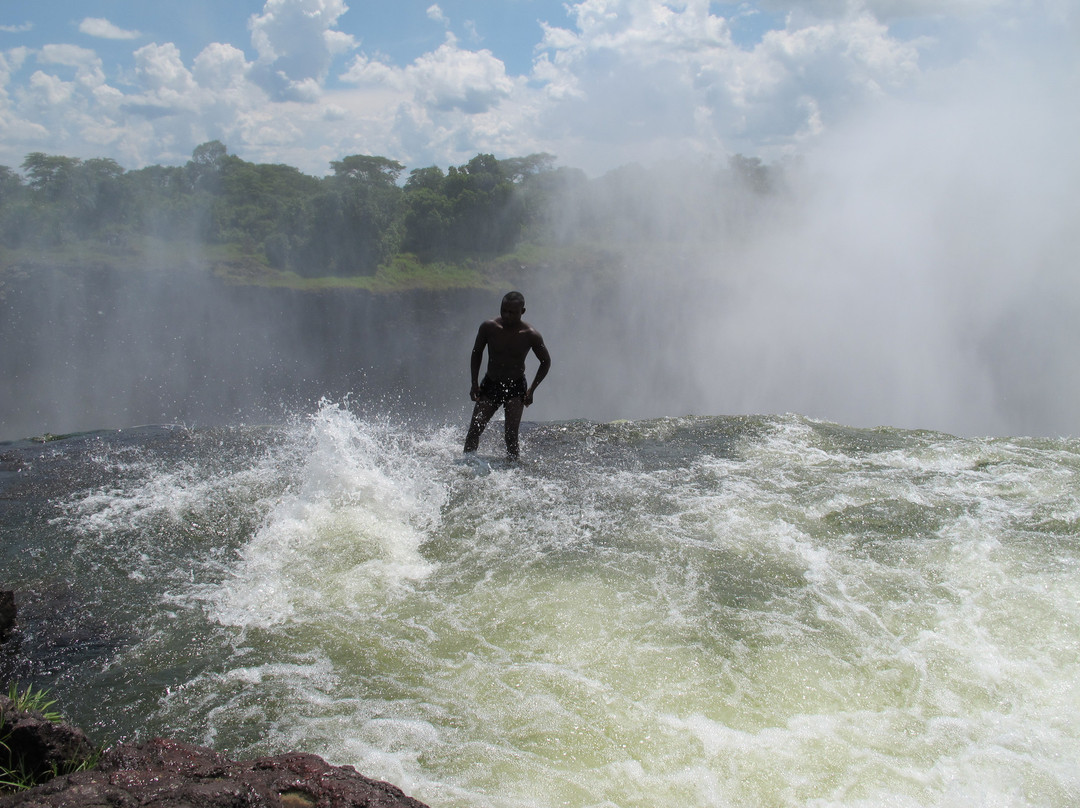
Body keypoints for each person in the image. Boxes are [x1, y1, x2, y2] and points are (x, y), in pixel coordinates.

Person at [464, 291, 551, 459]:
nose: (507, 315)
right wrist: (474, 383)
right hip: (491, 383)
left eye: (512, 312)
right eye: (504, 310)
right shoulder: (489, 327)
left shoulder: (530, 335)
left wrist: (532, 390)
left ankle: (513, 472)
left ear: (522, 311)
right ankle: (467, 466)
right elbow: (477, 353)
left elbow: (545, 362)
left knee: (511, 436)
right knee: (474, 430)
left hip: (516, 387)